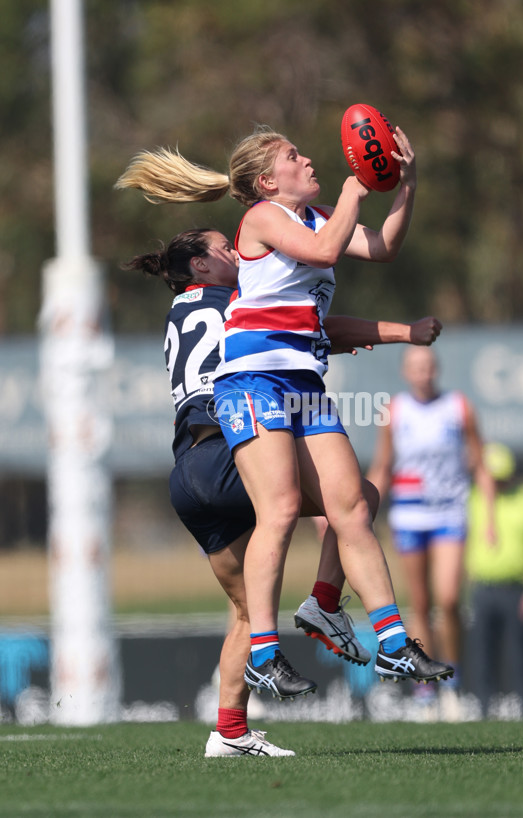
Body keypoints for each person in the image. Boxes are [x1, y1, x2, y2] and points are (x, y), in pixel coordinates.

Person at [116, 123, 453, 705]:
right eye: (294, 155)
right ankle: (266, 656)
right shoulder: (262, 219)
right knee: (282, 509)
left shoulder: (320, 214)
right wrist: (354, 192)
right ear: (269, 180)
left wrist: (407, 184)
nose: (309, 159)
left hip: (303, 382)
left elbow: (383, 247)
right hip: (251, 378)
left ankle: (391, 641)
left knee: (352, 505)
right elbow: (324, 252)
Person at [367, 346, 495, 716]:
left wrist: (489, 519)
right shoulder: (394, 411)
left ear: (435, 369)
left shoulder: (458, 407)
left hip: (449, 513)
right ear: (406, 372)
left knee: (450, 599)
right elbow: (383, 465)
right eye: (415, 368)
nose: (422, 373)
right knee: (420, 603)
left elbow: (480, 463)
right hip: (409, 515)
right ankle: (426, 689)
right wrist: (363, 510)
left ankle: (453, 681)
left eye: (427, 367)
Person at [465, 442, 523, 718]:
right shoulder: (473, 497)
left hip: (516, 589)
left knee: (520, 657)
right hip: (481, 588)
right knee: (481, 656)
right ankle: (482, 713)